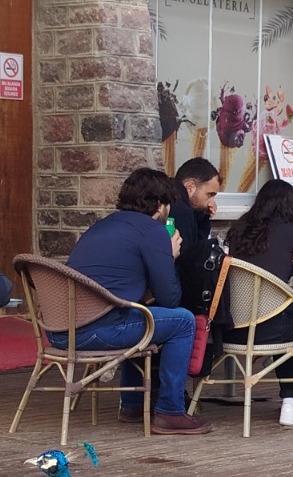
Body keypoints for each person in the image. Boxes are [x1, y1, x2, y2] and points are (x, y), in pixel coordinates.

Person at [63, 168, 211, 435]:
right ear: (160, 204)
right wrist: (169, 255)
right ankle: (170, 411)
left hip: (60, 331)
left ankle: (132, 405)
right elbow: (170, 299)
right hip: (97, 331)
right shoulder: (152, 231)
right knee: (183, 321)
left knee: (135, 314)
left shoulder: (100, 225)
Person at [226, 179, 293, 426]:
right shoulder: (292, 233)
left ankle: (292, 401)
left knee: (289, 316)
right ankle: (292, 399)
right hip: (271, 330)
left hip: (234, 328)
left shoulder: (238, 230)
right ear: (291, 207)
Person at [170, 157, 225, 374]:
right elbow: (191, 258)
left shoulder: (172, 201)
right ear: (190, 186)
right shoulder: (181, 210)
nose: (210, 201)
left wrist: (202, 218)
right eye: (209, 194)